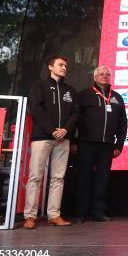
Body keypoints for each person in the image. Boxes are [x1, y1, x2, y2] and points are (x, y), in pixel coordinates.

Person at [23, 55, 79, 229]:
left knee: (58, 178)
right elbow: (36, 108)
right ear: (50, 67)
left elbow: (76, 113)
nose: (64, 68)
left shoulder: (70, 90)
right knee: (35, 177)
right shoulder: (39, 85)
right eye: (60, 65)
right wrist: (52, 130)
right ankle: (30, 216)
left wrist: (66, 130)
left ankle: (54, 215)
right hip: (42, 137)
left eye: (65, 66)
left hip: (63, 139)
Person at [74, 66, 127, 223]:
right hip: (86, 144)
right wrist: (73, 141)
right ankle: (79, 213)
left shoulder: (117, 97)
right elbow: (74, 120)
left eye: (107, 75)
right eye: (101, 74)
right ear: (95, 77)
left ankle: (98, 212)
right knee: (84, 178)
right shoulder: (84, 95)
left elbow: (123, 124)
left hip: (107, 146)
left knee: (102, 180)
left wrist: (119, 146)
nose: (104, 77)